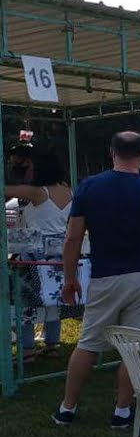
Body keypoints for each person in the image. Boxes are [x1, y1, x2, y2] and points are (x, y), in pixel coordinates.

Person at [54, 131, 140, 428]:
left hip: (105, 275)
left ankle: (67, 408)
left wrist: (69, 279)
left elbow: (73, 238)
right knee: (138, 345)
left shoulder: (88, 187)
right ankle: (122, 411)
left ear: (111, 152)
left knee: (88, 343)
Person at [5, 152, 72, 362]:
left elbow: (5, 190)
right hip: (60, 250)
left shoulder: (38, 192)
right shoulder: (68, 190)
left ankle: (27, 349)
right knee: (54, 297)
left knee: (25, 299)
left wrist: (12, 172)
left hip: (35, 252)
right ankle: (52, 343)